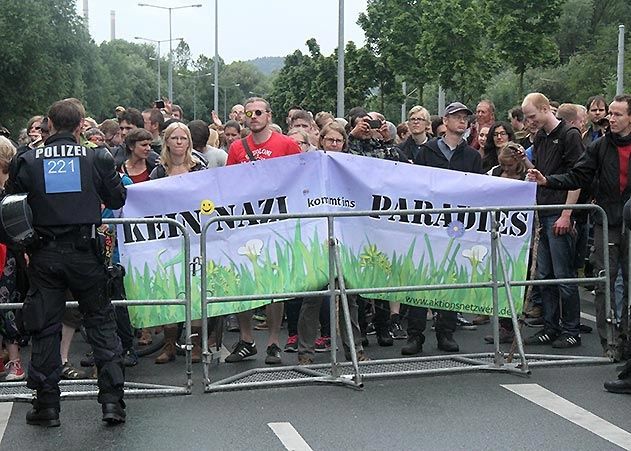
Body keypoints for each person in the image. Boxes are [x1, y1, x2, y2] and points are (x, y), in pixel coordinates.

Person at [6, 98, 127, 426]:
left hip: (44, 252)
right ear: (80, 125)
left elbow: (10, 204)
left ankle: (46, 406)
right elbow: (117, 198)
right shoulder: (96, 157)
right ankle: (113, 403)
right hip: (84, 251)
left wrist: (25, 243)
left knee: (45, 328)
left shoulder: (28, 158)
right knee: (101, 323)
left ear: (48, 123)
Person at [527, 94, 631, 362]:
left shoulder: (570, 135)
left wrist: (566, 213)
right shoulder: (601, 146)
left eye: (618, 114)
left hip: (628, 222)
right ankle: (611, 345)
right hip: (605, 220)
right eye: (611, 113)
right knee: (603, 281)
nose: (611, 118)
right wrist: (547, 181)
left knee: (625, 284)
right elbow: (578, 175)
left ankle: (625, 341)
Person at [403, 102, 483, 355]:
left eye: (465, 118)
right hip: (428, 224)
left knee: (451, 277)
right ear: (445, 121)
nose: (462, 122)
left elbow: (477, 191)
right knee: (421, 277)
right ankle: (415, 335)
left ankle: (445, 332)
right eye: (457, 117)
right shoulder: (426, 151)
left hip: (457, 226)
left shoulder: (472, 156)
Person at [225, 97, 300, 365]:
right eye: (249, 113)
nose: (253, 116)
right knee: (243, 281)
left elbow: (300, 179)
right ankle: (246, 340)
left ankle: (273, 343)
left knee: (274, 286)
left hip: (276, 225)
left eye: (259, 112)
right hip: (245, 223)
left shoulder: (287, 145)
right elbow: (229, 185)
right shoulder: (236, 148)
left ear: (269, 115)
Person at [521, 92, 583, 349]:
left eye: (532, 116)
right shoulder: (541, 137)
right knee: (544, 274)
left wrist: (567, 214)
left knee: (563, 274)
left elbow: (578, 176)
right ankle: (550, 326)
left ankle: (571, 329)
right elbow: (540, 172)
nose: (529, 122)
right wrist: (525, 162)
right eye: (526, 117)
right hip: (544, 209)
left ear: (546, 109)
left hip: (558, 212)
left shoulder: (569, 135)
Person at [150, 122, 206, 364]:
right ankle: (169, 345)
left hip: (195, 237)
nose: (180, 142)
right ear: (167, 142)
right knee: (169, 289)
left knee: (195, 291)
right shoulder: (158, 170)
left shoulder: (199, 167)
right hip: (167, 238)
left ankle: (194, 345)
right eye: (175, 138)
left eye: (184, 138)